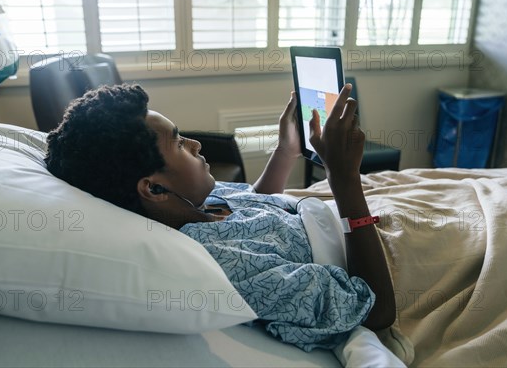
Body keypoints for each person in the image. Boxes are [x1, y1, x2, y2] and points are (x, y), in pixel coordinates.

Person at [45, 83, 396, 353]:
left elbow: (255, 204)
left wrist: (286, 149)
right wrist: (345, 179)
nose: (196, 144)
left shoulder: (192, 203)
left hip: (358, 221)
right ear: (153, 189)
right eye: (179, 143)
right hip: (383, 255)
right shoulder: (220, 263)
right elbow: (375, 311)